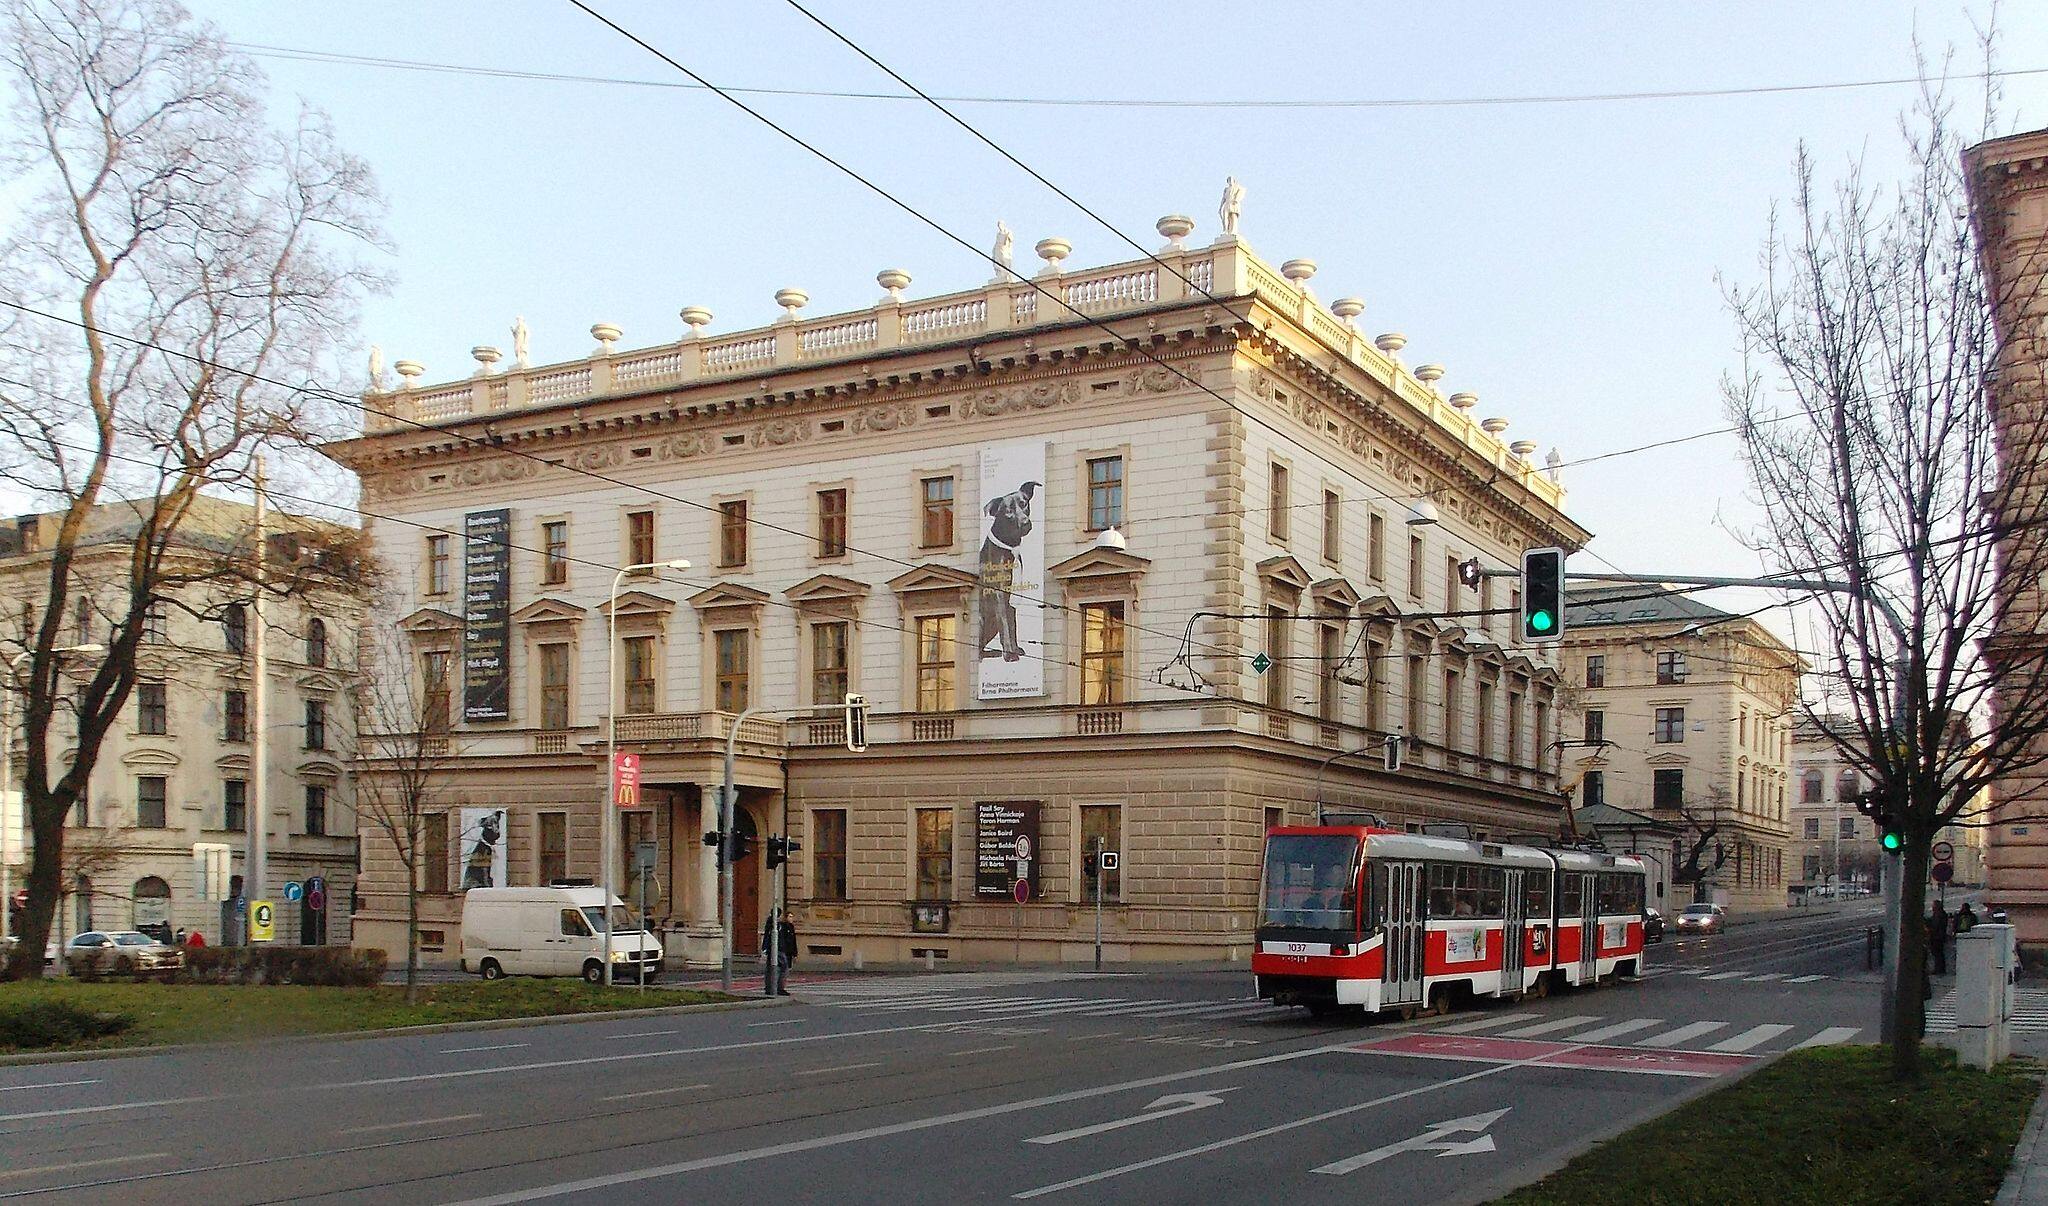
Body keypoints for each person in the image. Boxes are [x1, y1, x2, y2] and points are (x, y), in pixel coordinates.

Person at [1927, 900, 1950, 976]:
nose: (1932, 907)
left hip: (1937, 937)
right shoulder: (1940, 914)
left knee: (1937, 953)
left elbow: (1935, 926)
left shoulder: (1939, 915)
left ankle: (1939, 969)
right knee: (1938, 953)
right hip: (1938, 936)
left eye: (1933, 905)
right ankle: (1939, 968)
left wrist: (1931, 930)